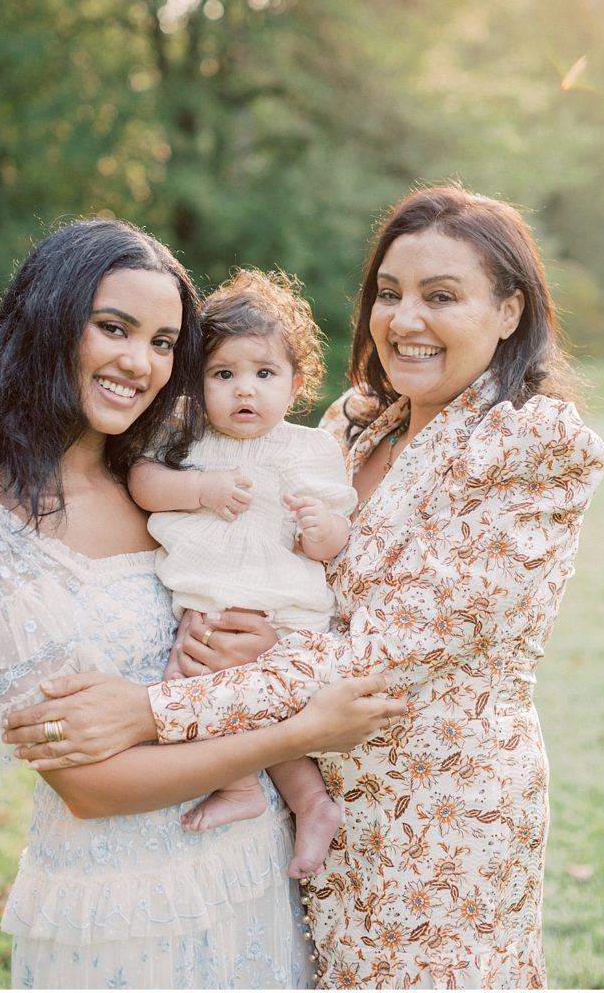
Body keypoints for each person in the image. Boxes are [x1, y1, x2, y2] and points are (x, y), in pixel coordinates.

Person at [2, 185, 604, 989]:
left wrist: (153, 708)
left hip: (437, 817)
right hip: (306, 811)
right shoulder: (359, 420)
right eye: (388, 294)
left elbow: (381, 653)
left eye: (441, 296)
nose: (404, 319)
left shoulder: (532, 441)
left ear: (508, 311)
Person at [0, 217, 405, 991]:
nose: (139, 362)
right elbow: (91, 787)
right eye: (114, 328)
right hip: (126, 905)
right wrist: (302, 731)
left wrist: (255, 650)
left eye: (162, 343)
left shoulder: (161, 479)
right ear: (49, 324)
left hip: (254, 874)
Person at [129, 268, 357, 878]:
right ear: (196, 382)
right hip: (209, 605)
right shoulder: (184, 433)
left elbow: (337, 534)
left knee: (250, 705)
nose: (243, 390)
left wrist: (320, 530)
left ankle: (307, 801)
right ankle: (244, 788)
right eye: (223, 375)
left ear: (296, 383)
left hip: (279, 613)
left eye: (264, 374)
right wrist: (200, 488)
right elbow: (143, 483)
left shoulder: (308, 448)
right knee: (197, 692)